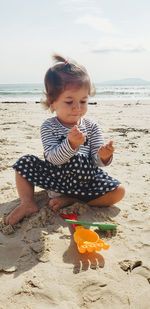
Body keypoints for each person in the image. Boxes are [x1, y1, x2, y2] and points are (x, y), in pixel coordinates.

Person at [6, 54, 125, 226]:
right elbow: (52, 158)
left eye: (83, 101)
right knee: (23, 163)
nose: (77, 107)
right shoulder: (49, 126)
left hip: (84, 183)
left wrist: (104, 156)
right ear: (52, 102)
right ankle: (27, 203)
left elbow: (96, 162)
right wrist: (70, 145)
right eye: (69, 101)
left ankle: (72, 199)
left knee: (119, 191)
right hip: (55, 178)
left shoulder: (91, 126)